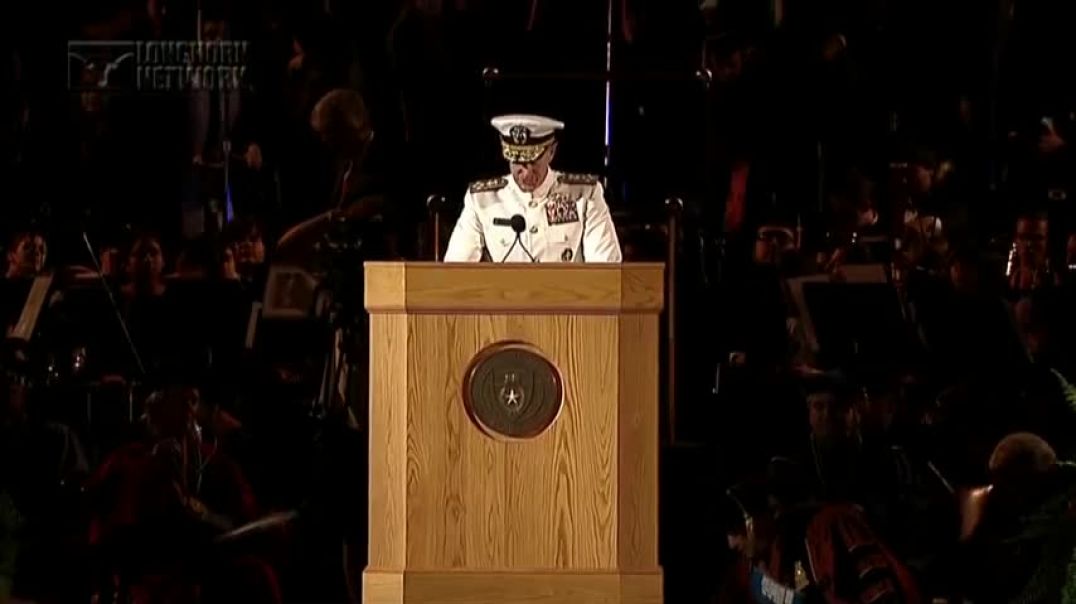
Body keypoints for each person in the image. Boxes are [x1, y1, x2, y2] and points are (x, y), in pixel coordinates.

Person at [444, 114, 623, 263]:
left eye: (533, 161)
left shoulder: (585, 195)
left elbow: (607, 269)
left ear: (551, 152)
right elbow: (457, 270)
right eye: (518, 162)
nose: (526, 172)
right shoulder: (482, 200)